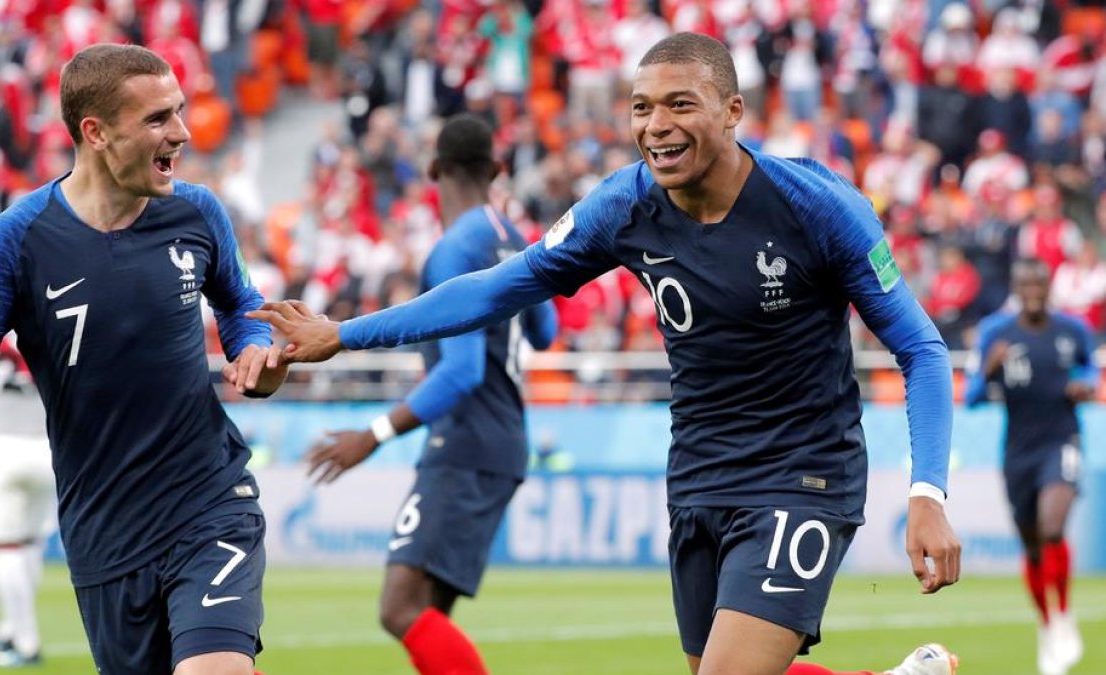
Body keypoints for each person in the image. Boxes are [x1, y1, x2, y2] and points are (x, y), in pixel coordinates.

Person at [250, 32, 962, 675]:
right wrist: (345, 333)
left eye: (680, 104)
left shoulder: (818, 207)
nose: (656, 126)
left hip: (802, 476)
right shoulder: (623, 206)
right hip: (700, 476)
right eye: (642, 108)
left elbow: (921, 348)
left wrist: (926, 492)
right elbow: (502, 287)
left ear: (733, 111)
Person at [0, 44, 287, 675]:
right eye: (156, 119)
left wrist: (256, 352)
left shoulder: (197, 211)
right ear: (94, 132)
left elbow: (240, 305)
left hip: (209, 500)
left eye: (178, 112)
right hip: (105, 531)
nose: (180, 132)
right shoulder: (17, 239)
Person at [306, 113, 558, 675]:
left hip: (465, 444)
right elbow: (545, 332)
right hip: (503, 440)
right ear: (496, 169)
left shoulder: (453, 250)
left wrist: (372, 435)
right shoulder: (514, 242)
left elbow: (461, 372)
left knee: (399, 608)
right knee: (427, 614)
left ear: (434, 170)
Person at [966, 258, 1092, 675]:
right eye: (1026, 282)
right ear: (1017, 287)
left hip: (1063, 439)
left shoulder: (1072, 330)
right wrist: (990, 369)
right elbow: (972, 396)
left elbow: (1089, 365)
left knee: (1053, 525)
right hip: (1019, 449)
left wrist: (1084, 384)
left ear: (1048, 285)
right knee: (1034, 546)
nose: (1034, 288)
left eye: (1040, 281)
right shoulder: (995, 333)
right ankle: (1047, 623)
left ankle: (1065, 614)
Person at [0, 337, 57, 668]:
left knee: (7, 546)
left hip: (4, 447)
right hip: (45, 448)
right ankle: (11, 628)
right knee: (30, 542)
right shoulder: (49, 328)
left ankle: (25, 639)